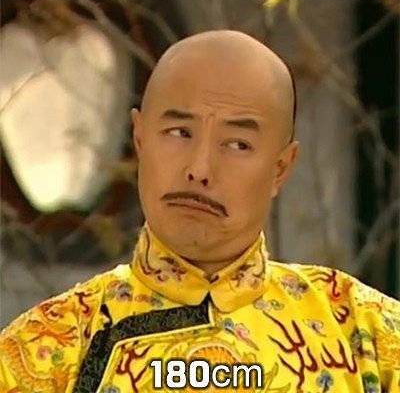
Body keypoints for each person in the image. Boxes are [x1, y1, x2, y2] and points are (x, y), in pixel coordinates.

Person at [1, 30, 399, 393]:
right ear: (140, 140)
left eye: (237, 144)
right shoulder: (49, 347)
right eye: (179, 133)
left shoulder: (366, 334)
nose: (200, 169)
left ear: (280, 169)